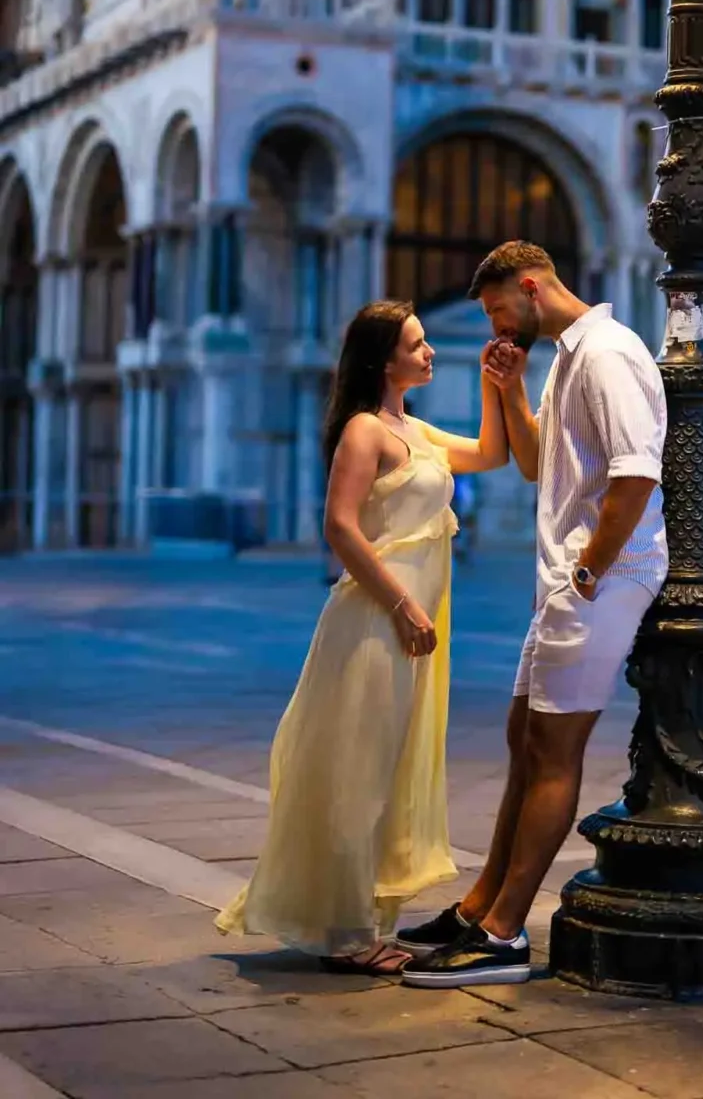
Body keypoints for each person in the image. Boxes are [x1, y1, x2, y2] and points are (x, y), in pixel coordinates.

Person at [397, 241, 668, 988]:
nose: (496, 325)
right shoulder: (566, 356)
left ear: (529, 286)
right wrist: (510, 390)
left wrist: (588, 571)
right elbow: (535, 460)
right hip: (568, 581)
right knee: (524, 737)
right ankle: (479, 904)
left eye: (496, 311)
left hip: (602, 580)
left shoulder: (609, 351)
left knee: (553, 753)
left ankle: (506, 931)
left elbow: (637, 471)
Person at [216, 300, 509, 975]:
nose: (430, 351)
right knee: (359, 770)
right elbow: (341, 528)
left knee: (389, 766)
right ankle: (348, 935)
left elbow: (492, 453)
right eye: (418, 343)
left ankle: (365, 919)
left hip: (411, 623)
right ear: (385, 360)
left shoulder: (416, 430)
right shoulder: (363, 432)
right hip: (376, 619)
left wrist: (499, 385)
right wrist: (405, 606)